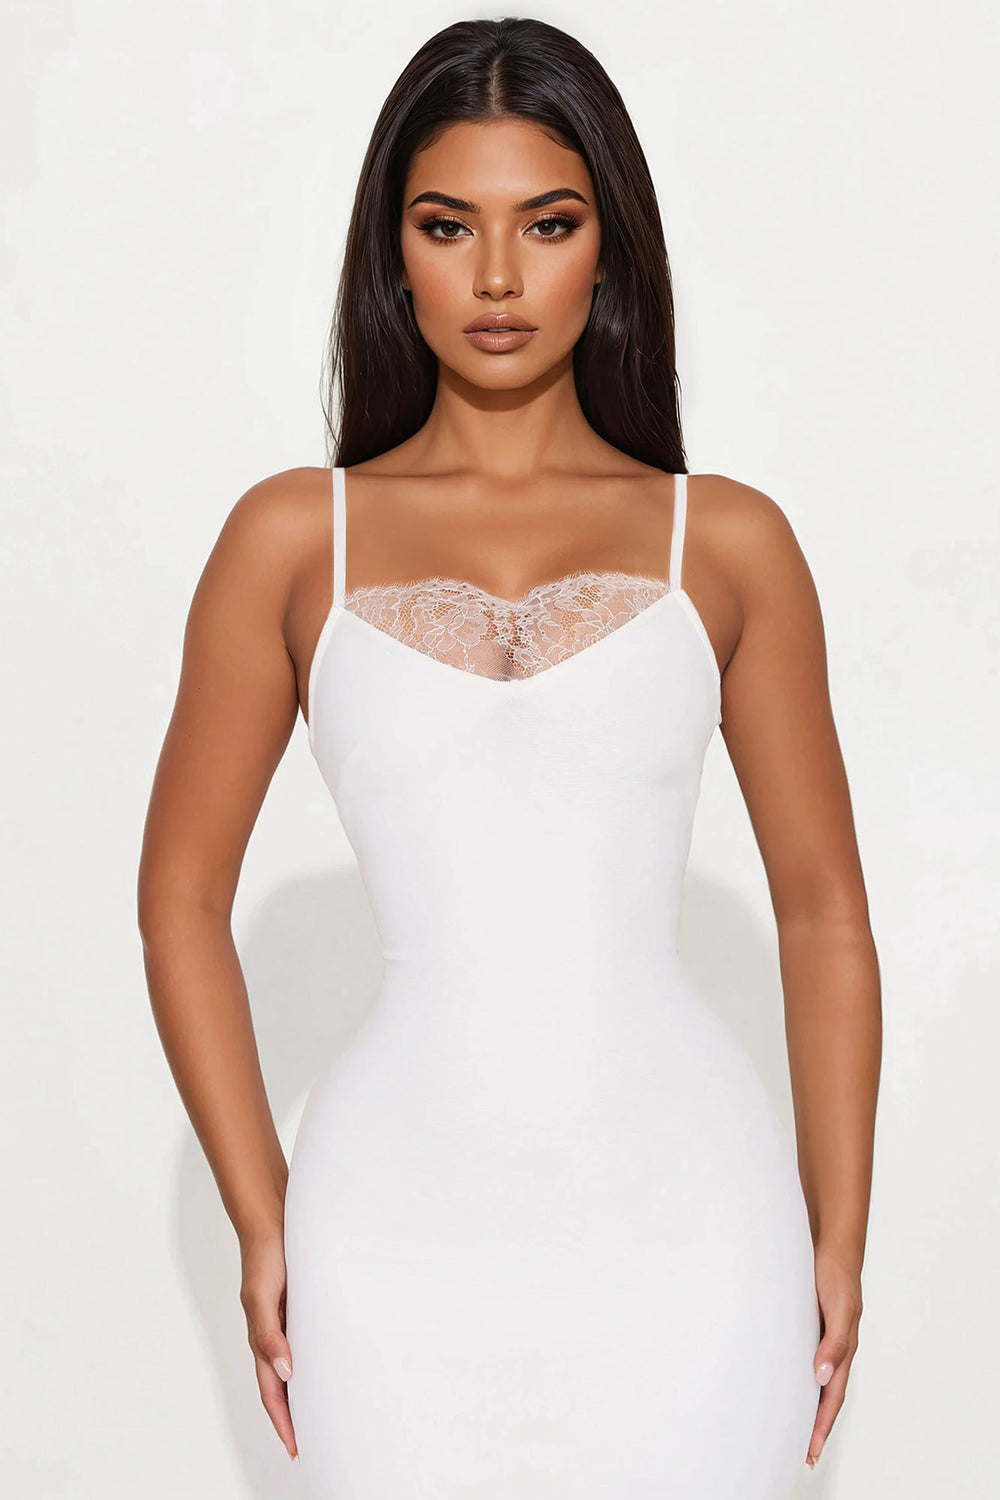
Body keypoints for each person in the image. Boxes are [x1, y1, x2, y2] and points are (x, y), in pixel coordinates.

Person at [137, 16, 881, 1497]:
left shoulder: (728, 542)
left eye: (546, 224)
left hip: (696, 1233)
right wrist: (262, 1217)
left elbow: (822, 911)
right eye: (445, 226)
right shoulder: (291, 537)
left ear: (609, 250)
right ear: (391, 252)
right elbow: (180, 901)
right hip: (388, 1237)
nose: (494, 278)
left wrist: (838, 1232)